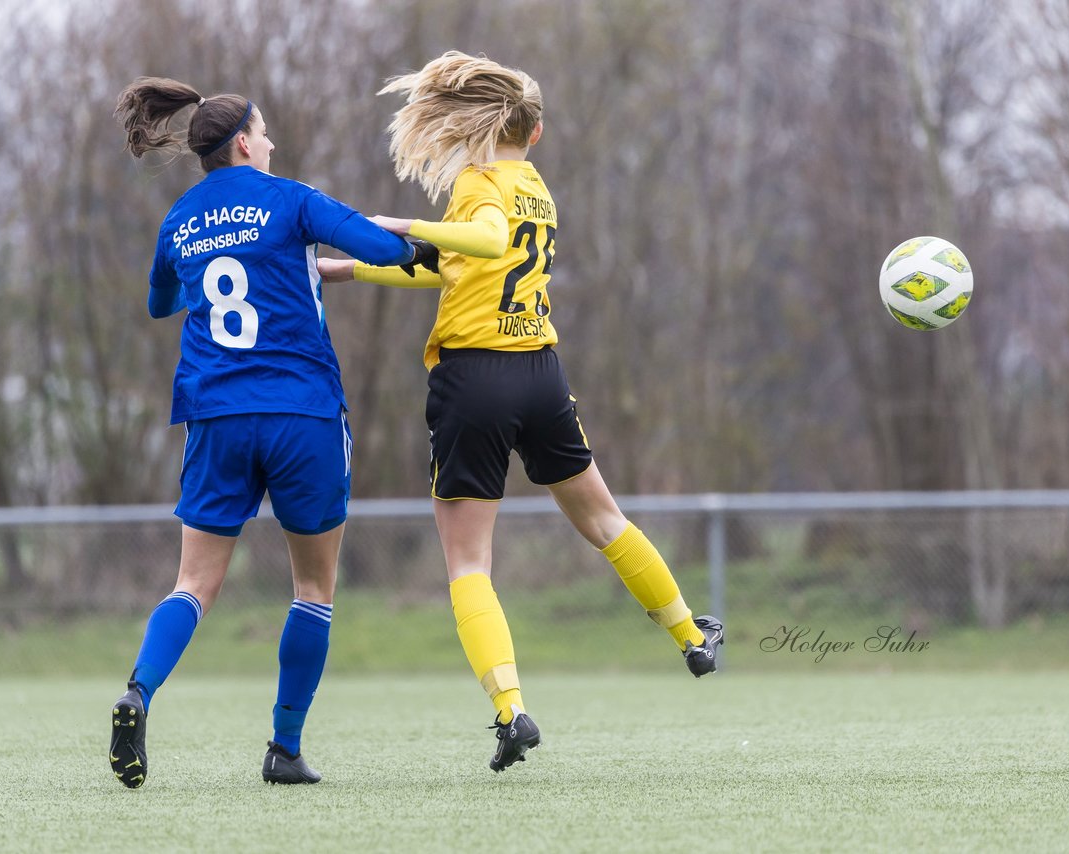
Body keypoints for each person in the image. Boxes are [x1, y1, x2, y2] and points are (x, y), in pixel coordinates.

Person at [318, 51, 724, 773]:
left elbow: (484, 241)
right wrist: (345, 269)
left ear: (482, 127)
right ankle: (690, 633)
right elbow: (448, 267)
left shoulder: (479, 185)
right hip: (540, 371)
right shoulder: (535, 186)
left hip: (476, 378)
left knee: (469, 562)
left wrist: (402, 220)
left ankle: (511, 710)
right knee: (603, 518)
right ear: (532, 134)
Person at [107, 77, 434, 789]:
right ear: (246, 143)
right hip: (300, 413)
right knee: (313, 587)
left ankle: (137, 691)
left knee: (193, 582)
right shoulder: (291, 198)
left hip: (215, 416)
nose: (275, 142)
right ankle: (284, 748)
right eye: (268, 132)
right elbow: (380, 249)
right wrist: (422, 251)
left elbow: (164, 301)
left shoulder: (180, 220)